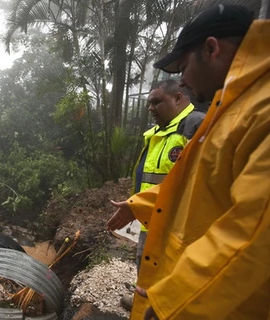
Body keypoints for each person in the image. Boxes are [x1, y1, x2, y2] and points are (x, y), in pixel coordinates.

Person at [106, 4, 270, 319]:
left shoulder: (259, 109)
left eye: (183, 68)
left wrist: (177, 301)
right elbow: (195, 181)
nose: (181, 81)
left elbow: (253, 233)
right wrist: (139, 204)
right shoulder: (233, 106)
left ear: (211, 48)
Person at [119, 79, 204, 311]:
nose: (150, 108)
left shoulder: (196, 126)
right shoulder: (158, 132)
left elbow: (196, 183)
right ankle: (144, 304)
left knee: (173, 271)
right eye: (149, 103)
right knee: (146, 265)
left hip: (180, 224)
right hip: (151, 218)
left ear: (178, 98)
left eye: (157, 102)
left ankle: (164, 309)